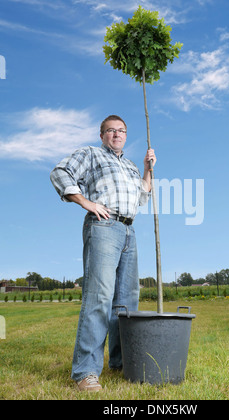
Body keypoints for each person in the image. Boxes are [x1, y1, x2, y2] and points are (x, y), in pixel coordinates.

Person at [50, 115, 156, 392]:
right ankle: (85, 372)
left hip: (129, 231)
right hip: (104, 227)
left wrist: (147, 169)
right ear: (102, 135)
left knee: (126, 302)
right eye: (111, 130)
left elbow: (142, 195)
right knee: (99, 297)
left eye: (121, 131)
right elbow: (60, 172)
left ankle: (121, 364)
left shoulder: (131, 165)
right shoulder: (91, 154)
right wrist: (86, 202)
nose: (117, 135)